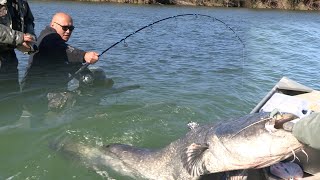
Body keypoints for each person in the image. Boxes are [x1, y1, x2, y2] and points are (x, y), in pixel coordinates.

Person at [21, 12, 106, 113]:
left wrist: (93, 81)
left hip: (54, 92)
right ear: (53, 25)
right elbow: (63, 49)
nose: (68, 31)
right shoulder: (47, 38)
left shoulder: (59, 47)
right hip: (36, 95)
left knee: (97, 74)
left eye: (71, 29)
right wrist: (84, 55)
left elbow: (73, 64)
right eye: (64, 28)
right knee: (69, 98)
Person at [0, 0, 36, 125]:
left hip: (9, 59)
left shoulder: (22, 3)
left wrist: (30, 42)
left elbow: (29, 22)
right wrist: (19, 38)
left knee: (11, 103)